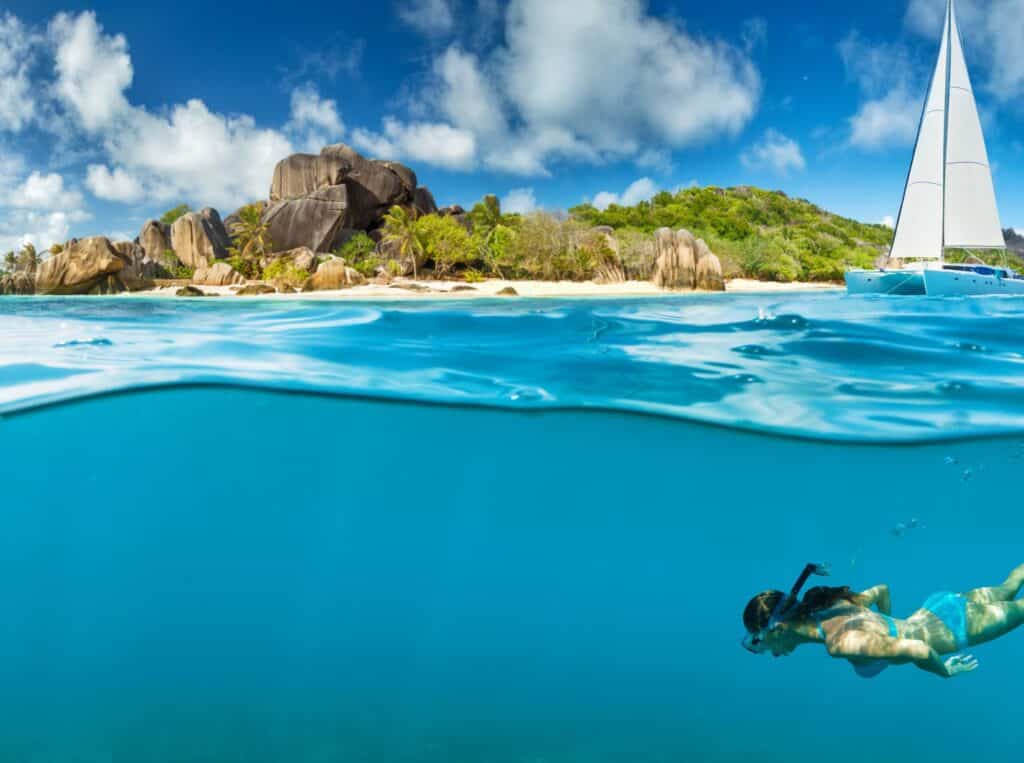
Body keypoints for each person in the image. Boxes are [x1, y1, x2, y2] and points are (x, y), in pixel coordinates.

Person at [742, 562, 1024, 679]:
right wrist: (890, 623)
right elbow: (881, 590)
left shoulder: (840, 643)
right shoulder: (830, 606)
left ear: (777, 629)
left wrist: (944, 672)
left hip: (959, 626)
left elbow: (920, 649)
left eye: (758, 641)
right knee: (1010, 584)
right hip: (938, 606)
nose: (764, 650)